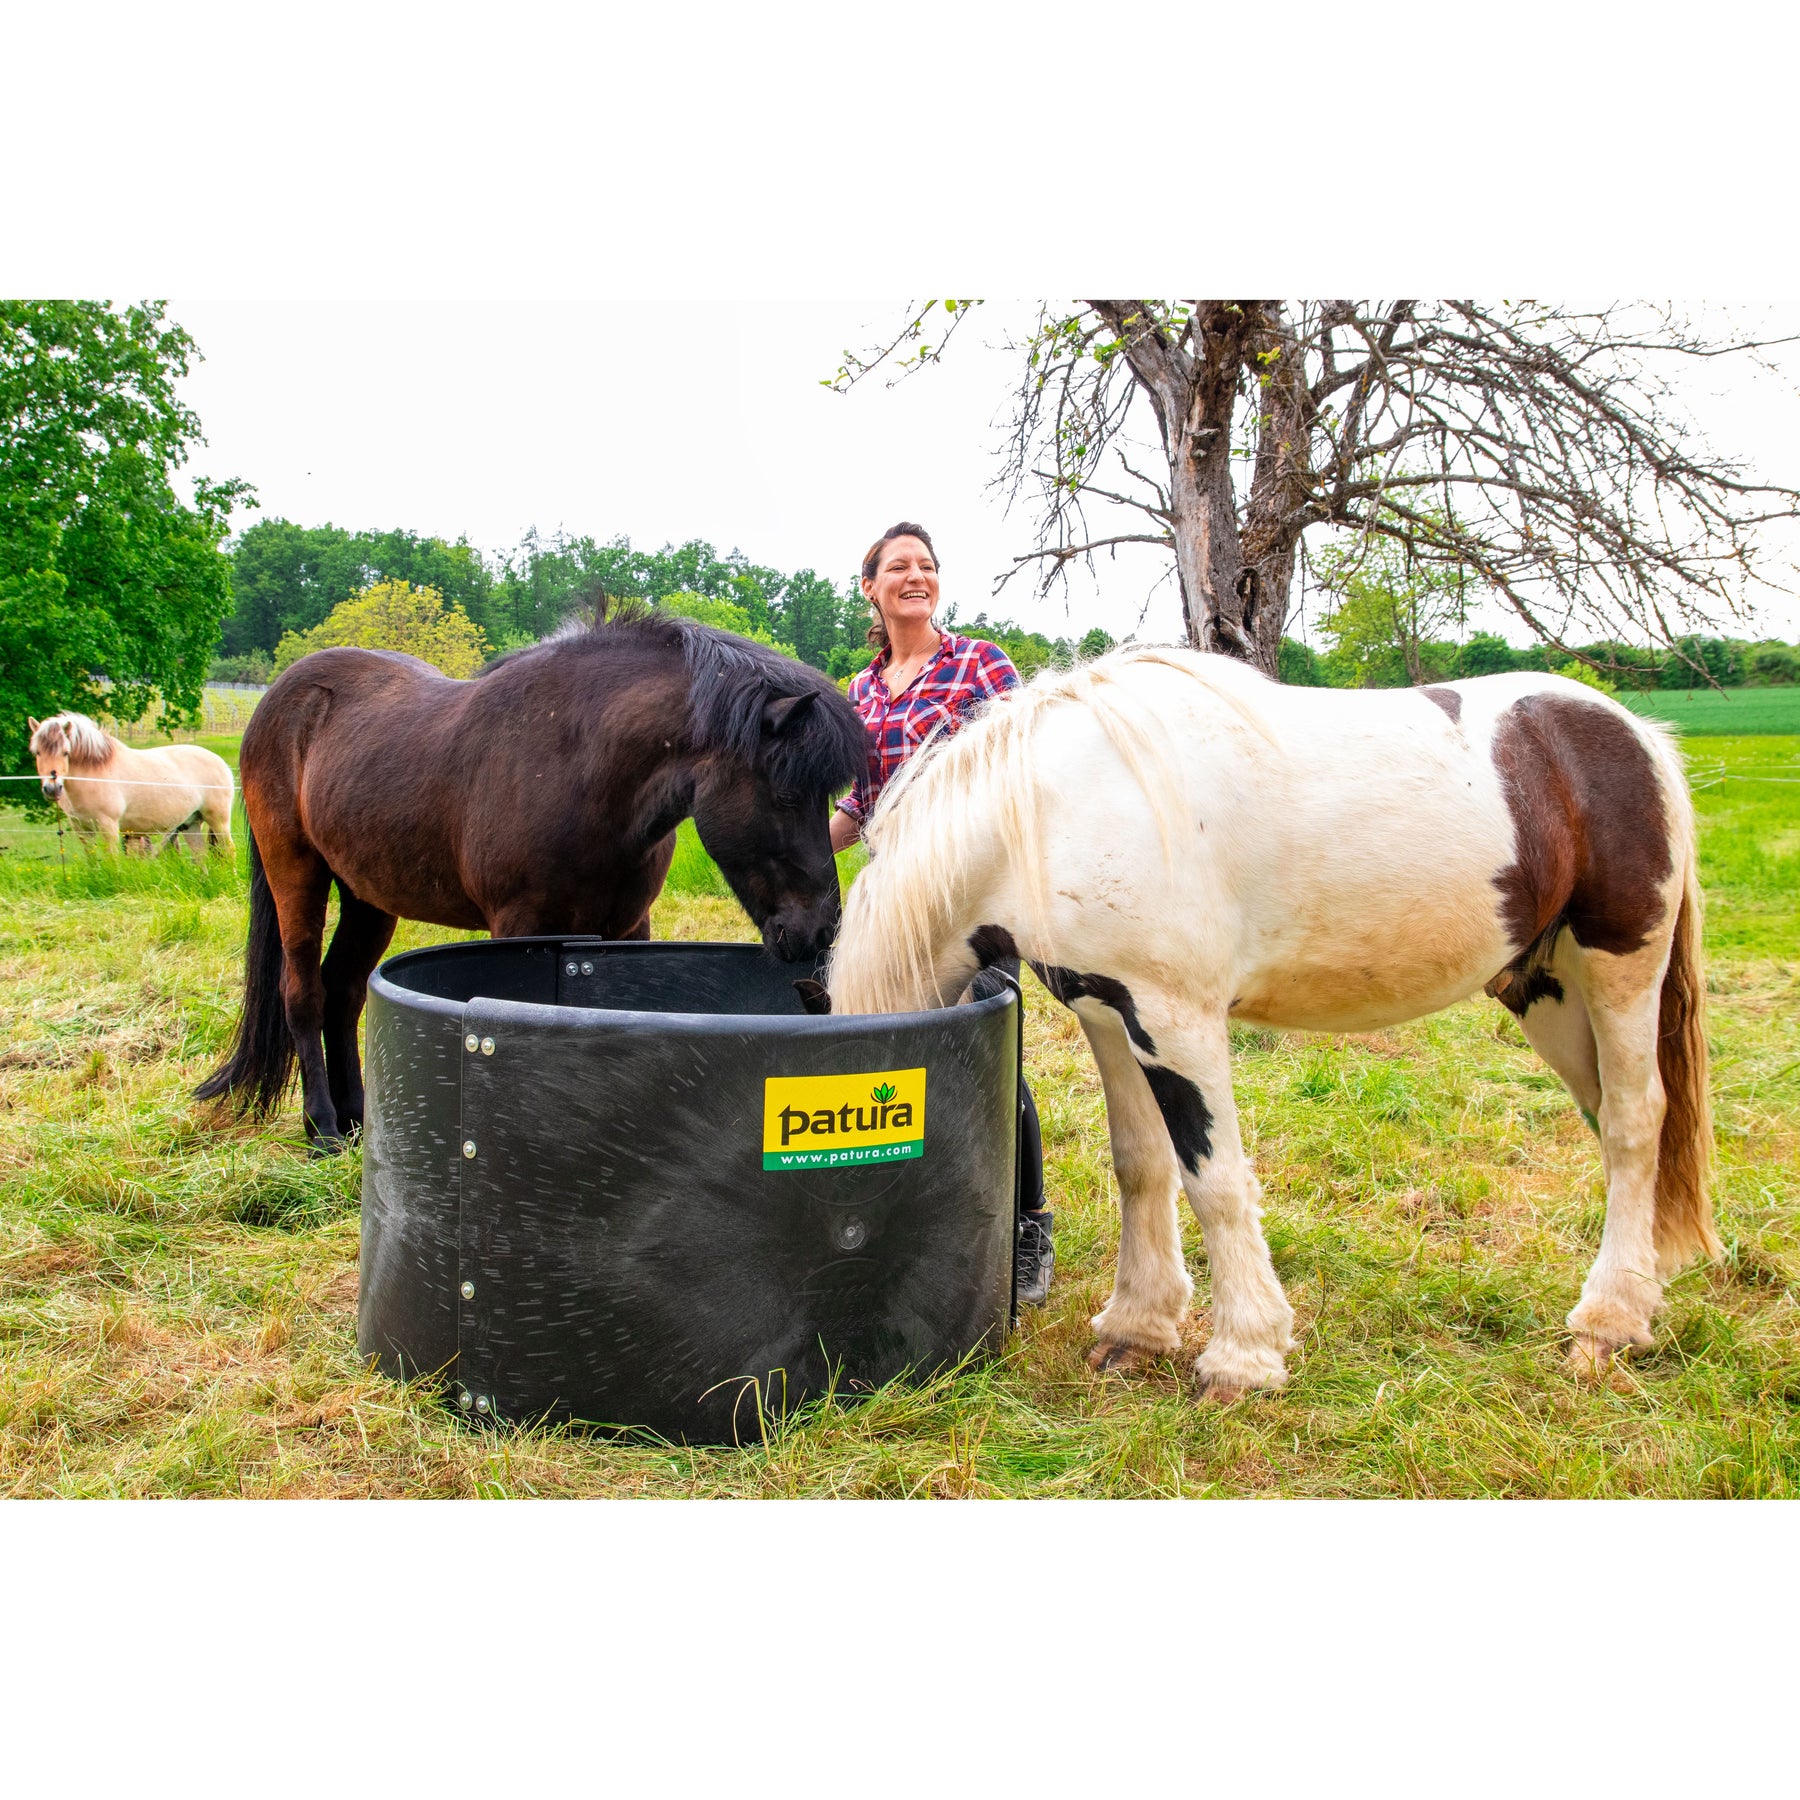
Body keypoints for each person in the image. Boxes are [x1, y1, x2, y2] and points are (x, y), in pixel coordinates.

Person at [830, 522, 1055, 1306]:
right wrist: (792, 857)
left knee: (984, 1055)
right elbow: (859, 804)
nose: (916, 576)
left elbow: (1025, 769)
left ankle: (1027, 1226)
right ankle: (913, 1216)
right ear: (870, 587)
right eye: (899, 566)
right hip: (889, 904)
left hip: (974, 899)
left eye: (927, 565)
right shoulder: (858, 692)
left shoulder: (979, 663)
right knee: (884, 1051)